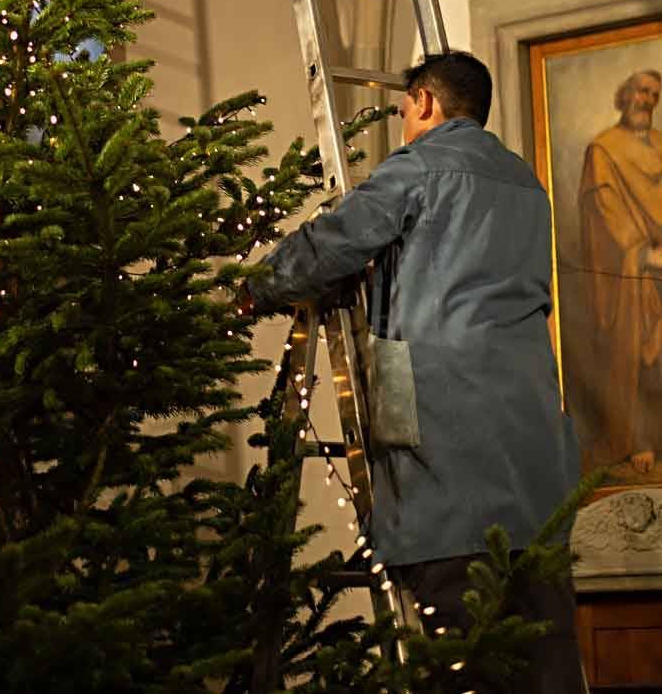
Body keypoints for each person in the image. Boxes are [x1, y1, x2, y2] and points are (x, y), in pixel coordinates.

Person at [243, 51, 583, 692]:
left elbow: (335, 242)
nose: (404, 121)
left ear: (425, 101)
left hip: (446, 434)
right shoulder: (525, 183)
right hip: (534, 438)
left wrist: (253, 288)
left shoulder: (422, 166)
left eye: (404, 109)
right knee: (544, 654)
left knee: (456, 659)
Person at [580, 69, 662, 475]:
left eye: (654, 94)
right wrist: (644, 252)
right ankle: (640, 440)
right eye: (641, 91)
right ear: (623, 95)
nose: (647, 99)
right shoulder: (604, 150)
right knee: (642, 356)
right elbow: (605, 212)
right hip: (637, 272)